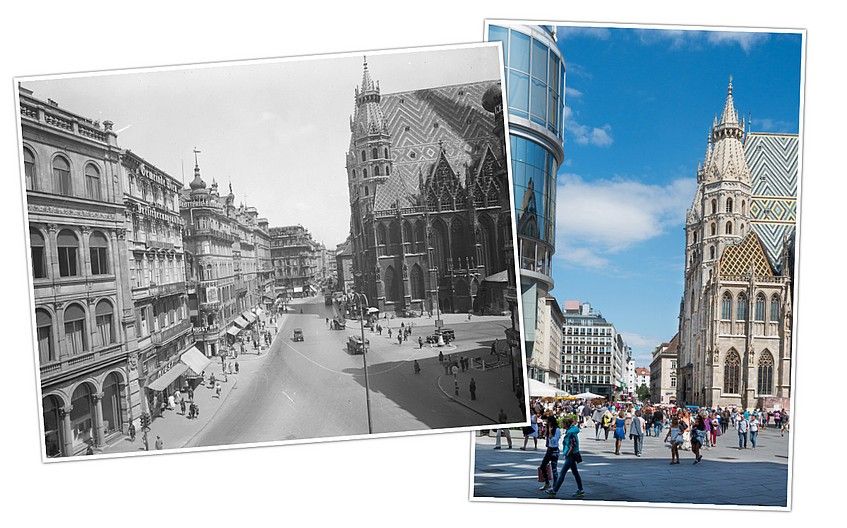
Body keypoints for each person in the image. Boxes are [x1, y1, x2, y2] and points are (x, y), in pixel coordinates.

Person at [546, 416, 585, 498]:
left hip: (571, 455)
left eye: (563, 423)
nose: (562, 424)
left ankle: (554, 490)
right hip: (572, 454)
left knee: (562, 473)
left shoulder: (570, 433)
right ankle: (580, 489)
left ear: (566, 424)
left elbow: (573, 444)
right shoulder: (570, 431)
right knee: (575, 473)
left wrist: (567, 453)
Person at [537, 416, 560, 490]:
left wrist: (550, 433)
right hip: (549, 450)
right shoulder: (549, 428)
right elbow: (546, 439)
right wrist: (547, 431)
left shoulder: (557, 430)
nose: (547, 423)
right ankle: (547, 483)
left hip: (554, 451)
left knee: (554, 470)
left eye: (548, 422)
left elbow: (554, 441)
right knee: (542, 466)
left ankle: (555, 486)